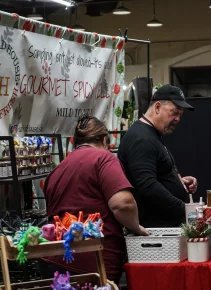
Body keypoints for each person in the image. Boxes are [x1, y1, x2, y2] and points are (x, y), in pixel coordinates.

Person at [41, 115, 148, 284]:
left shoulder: (58, 169)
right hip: (93, 264)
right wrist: (136, 227)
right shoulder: (104, 159)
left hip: (55, 261)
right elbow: (123, 204)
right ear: (105, 140)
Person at [118, 84, 197, 228]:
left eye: (181, 114)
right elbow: (147, 185)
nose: (177, 119)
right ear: (157, 107)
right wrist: (184, 209)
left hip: (164, 227)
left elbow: (155, 174)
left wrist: (179, 182)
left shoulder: (152, 134)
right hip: (154, 232)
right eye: (174, 112)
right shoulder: (140, 138)